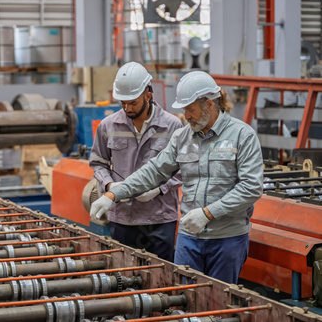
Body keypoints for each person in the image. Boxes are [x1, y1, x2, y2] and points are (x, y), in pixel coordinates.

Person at [90, 70, 263, 284]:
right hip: (189, 237)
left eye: (191, 109)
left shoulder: (242, 136)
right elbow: (153, 171)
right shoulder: (182, 137)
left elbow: (251, 187)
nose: (186, 116)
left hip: (226, 238)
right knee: (183, 298)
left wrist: (208, 214)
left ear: (209, 104)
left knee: (220, 303)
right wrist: (113, 195)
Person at [89, 61, 183, 262]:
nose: (127, 108)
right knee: (123, 275)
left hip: (160, 216)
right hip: (123, 215)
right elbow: (98, 163)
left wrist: (159, 189)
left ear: (148, 94)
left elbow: (184, 168)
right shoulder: (108, 126)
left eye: (132, 103)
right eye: (122, 103)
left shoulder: (172, 126)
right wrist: (110, 185)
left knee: (161, 277)